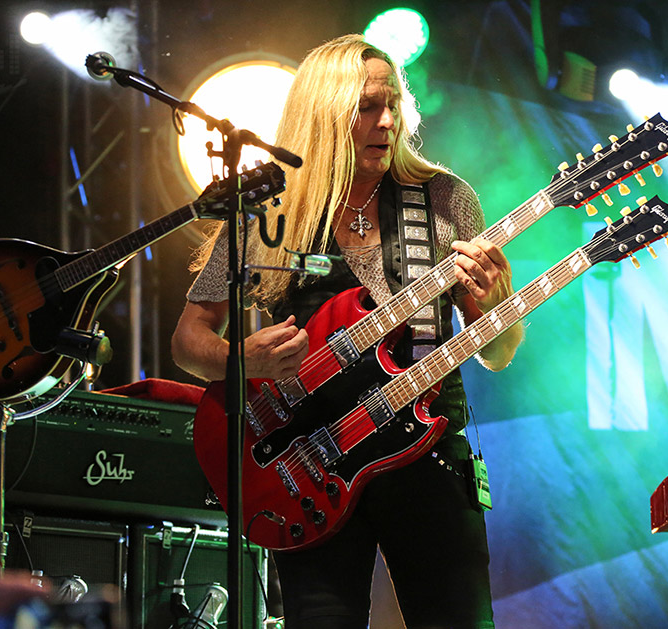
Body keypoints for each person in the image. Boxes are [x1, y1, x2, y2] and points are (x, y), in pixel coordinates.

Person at [171, 34, 523, 628]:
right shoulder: (268, 209)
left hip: (428, 454)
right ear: (325, 113)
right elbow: (188, 340)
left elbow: (499, 353)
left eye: (393, 106)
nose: (387, 121)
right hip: (308, 461)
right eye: (366, 107)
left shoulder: (444, 198)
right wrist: (242, 359)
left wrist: (498, 306)